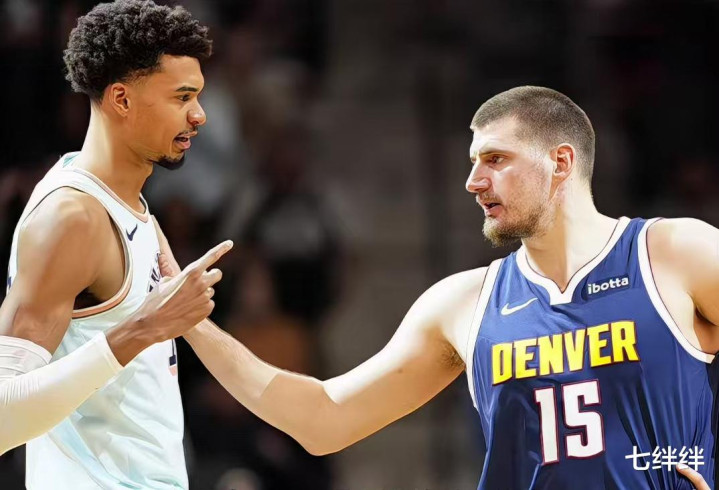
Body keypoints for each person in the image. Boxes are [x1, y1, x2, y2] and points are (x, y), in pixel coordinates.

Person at [159, 86, 719, 489]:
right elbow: (323, 419)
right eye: (474, 162)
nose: (473, 182)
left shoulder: (676, 253)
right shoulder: (463, 302)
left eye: (495, 159)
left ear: (560, 162)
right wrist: (194, 324)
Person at [0, 1, 233, 488]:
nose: (199, 115)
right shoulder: (73, 218)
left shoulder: (129, 206)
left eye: (198, 96)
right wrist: (141, 330)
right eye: (182, 97)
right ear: (122, 99)